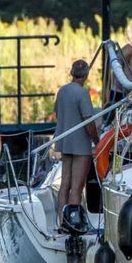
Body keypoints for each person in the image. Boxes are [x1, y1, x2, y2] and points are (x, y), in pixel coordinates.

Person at [54, 59, 100, 224]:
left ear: (72, 73)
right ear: (86, 74)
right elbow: (89, 121)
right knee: (77, 186)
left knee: (64, 184)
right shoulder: (82, 93)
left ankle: (61, 221)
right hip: (80, 146)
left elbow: (58, 114)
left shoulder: (62, 91)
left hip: (65, 143)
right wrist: (97, 140)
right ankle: (72, 223)